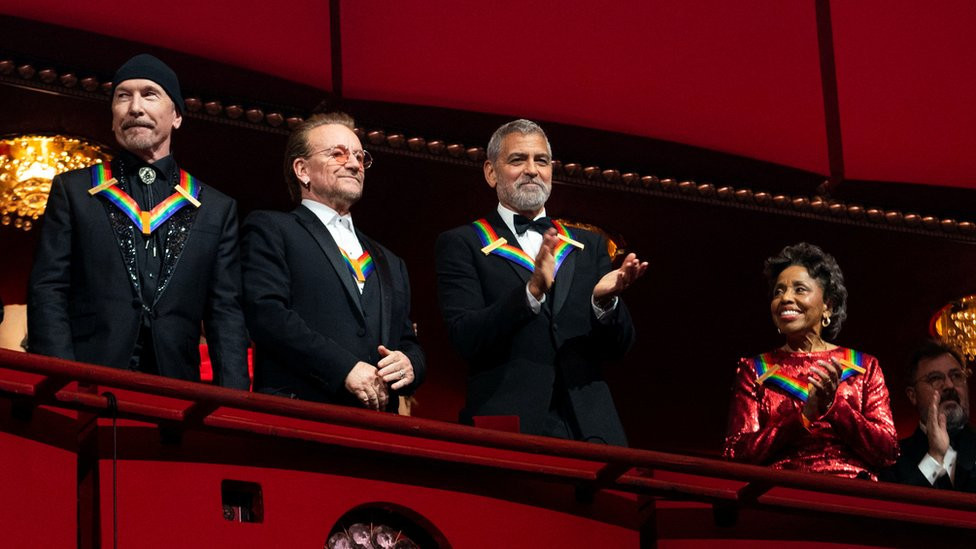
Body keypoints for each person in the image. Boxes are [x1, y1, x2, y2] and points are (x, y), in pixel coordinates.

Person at [28, 54, 249, 388]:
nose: (134, 107)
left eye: (149, 94)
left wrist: (234, 405)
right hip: (88, 383)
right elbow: (48, 290)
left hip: (176, 390)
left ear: (176, 115)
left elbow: (224, 313)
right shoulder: (73, 191)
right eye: (122, 96)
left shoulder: (215, 208)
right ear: (113, 117)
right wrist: (62, 380)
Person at [435, 119, 647, 445]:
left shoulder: (589, 245)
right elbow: (465, 337)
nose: (532, 169)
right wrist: (530, 292)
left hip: (591, 431)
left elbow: (620, 348)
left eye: (541, 160)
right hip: (508, 425)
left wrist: (604, 303)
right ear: (491, 173)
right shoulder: (462, 243)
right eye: (518, 159)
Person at [241, 112, 424, 411]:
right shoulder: (272, 229)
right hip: (301, 415)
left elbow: (407, 341)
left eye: (359, 156)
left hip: (378, 426)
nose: (353, 164)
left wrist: (410, 365)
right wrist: (344, 368)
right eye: (337, 154)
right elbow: (268, 316)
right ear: (302, 169)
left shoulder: (391, 261)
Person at [723, 242, 898, 478]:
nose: (785, 298)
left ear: (828, 305)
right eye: (778, 291)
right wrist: (802, 417)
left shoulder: (864, 366)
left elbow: (887, 451)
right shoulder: (754, 369)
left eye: (799, 289)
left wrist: (835, 408)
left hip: (853, 497)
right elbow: (736, 453)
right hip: (781, 495)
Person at [880, 341, 976, 491]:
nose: (950, 386)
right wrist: (935, 457)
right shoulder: (892, 459)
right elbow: (900, 508)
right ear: (912, 395)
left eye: (956, 376)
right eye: (936, 379)